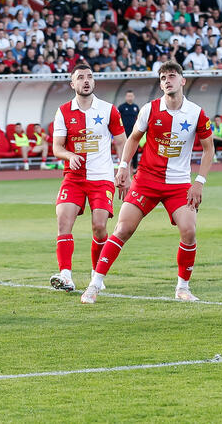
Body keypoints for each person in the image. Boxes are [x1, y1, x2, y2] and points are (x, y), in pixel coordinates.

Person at [83, 61, 214, 304]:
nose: (167, 80)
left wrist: (199, 182)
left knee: (189, 231)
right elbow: (133, 139)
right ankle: (94, 284)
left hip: (178, 184)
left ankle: (182, 288)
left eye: (172, 76)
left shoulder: (197, 113)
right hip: (146, 181)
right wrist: (123, 167)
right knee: (123, 229)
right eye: (163, 77)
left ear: (183, 81)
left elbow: (209, 150)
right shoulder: (149, 109)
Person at [50, 63, 127, 292]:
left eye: (89, 77)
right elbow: (57, 147)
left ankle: (97, 275)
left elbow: (122, 141)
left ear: (94, 82)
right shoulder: (63, 111)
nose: (86, 81)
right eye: (81, 77)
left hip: (102, 177)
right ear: (72, 84)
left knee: (99, 227)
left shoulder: (108, 110)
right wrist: (69, 154)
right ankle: (66, 276)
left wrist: (123, 170)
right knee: (63, 220)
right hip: (73, 177)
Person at [117, 90, 140, 168]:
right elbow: (117, 119)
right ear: (126, 97)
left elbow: (139, 119)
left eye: (131, 96)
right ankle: (124, 166)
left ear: (133, 97)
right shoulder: (121, 107)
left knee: (135, 149)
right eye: (128, 96)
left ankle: (135, 167)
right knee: (124, 149)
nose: (130, 98)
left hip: (134, 132)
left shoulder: (136, 107)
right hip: (124, 132)